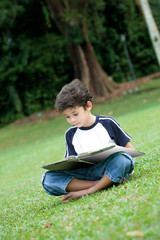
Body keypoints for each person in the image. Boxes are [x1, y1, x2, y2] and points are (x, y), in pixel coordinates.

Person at [42, 79, 135, 202]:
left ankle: (89, 190)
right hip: (88, 174)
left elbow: (131, 150)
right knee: (48, 178)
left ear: (88, 106)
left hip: (109, 167)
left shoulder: (107, 123)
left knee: (122, 160)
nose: (72, 120)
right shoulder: (70, 134)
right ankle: (102, 184)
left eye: (75, 114)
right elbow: (71, 162)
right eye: (67, 117)